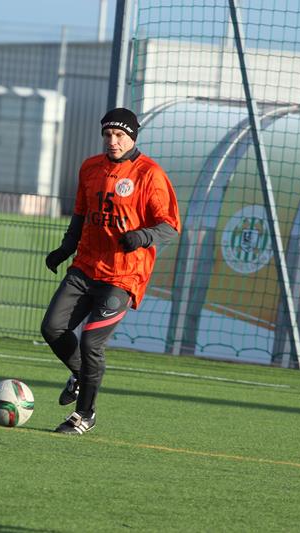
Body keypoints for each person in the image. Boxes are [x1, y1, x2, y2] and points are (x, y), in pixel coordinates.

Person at [41, 107, 181, 435]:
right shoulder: (90, 167)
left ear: (132, 136)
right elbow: (80, 214)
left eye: (119, 135)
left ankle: (84, 415)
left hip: (122, 275)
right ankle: (81, 376)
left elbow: (170, 226)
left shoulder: (150, 174)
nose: (113, 141)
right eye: (108, 134)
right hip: (85, 267)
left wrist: (142, 236)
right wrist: (65, 249)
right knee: (52, 328)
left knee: (91, 342)